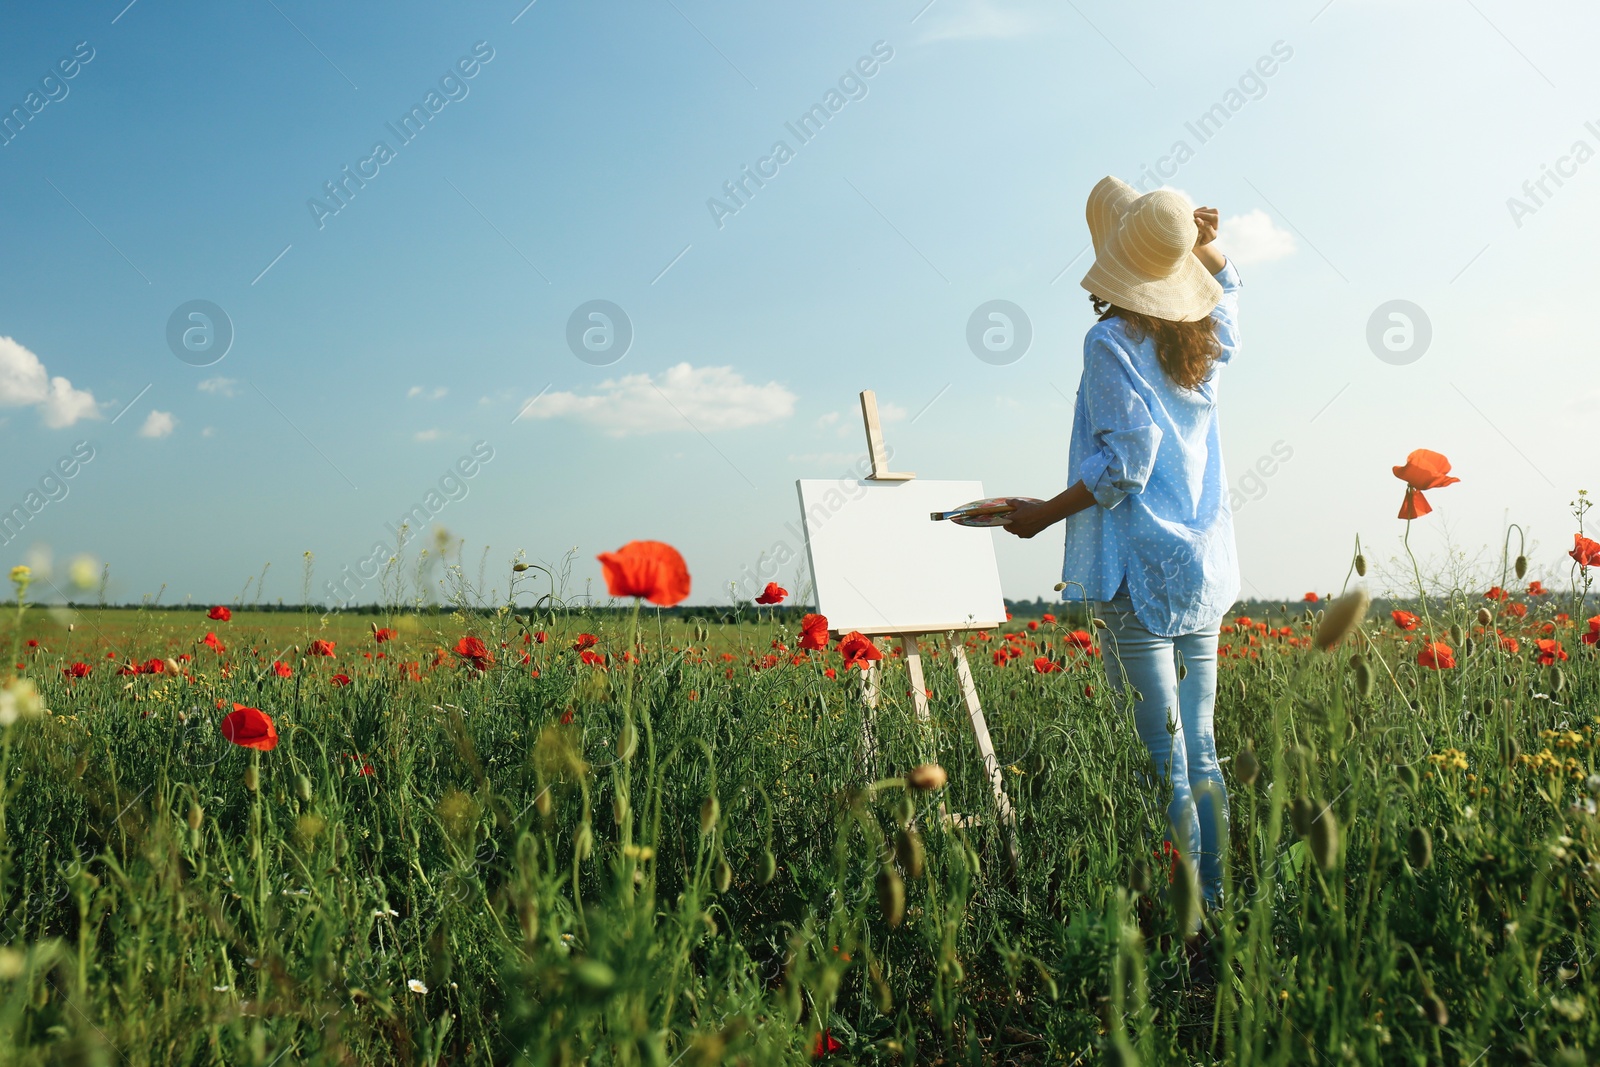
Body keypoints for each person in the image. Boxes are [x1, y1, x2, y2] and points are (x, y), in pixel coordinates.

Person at [1004, 176, 1241, 907]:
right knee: (1199, 747)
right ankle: (1219, 900)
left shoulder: (1109, 341)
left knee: (1163, 753)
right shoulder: (1203, 335)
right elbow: (1229, 289)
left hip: (1139, 568)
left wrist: (1044, 513)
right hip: (1201, 565)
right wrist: (1206, 248)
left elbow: (1126, 465)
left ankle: (1187, 915)